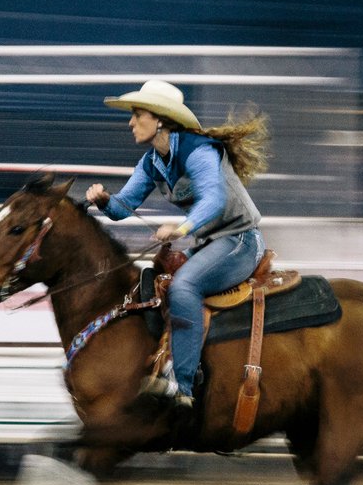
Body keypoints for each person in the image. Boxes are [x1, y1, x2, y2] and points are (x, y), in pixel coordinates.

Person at [86, 79, 270, 417]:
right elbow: (123, 206)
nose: (130, 122)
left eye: (136, 114)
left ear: (158, 119)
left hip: (241, 241)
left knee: (185, 285)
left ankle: (182, 386)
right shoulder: (152, 161)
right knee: (161, 281)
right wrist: (102, 200)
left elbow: (213, 199)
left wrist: (180, 228)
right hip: (211, 243)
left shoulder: (199, 150)